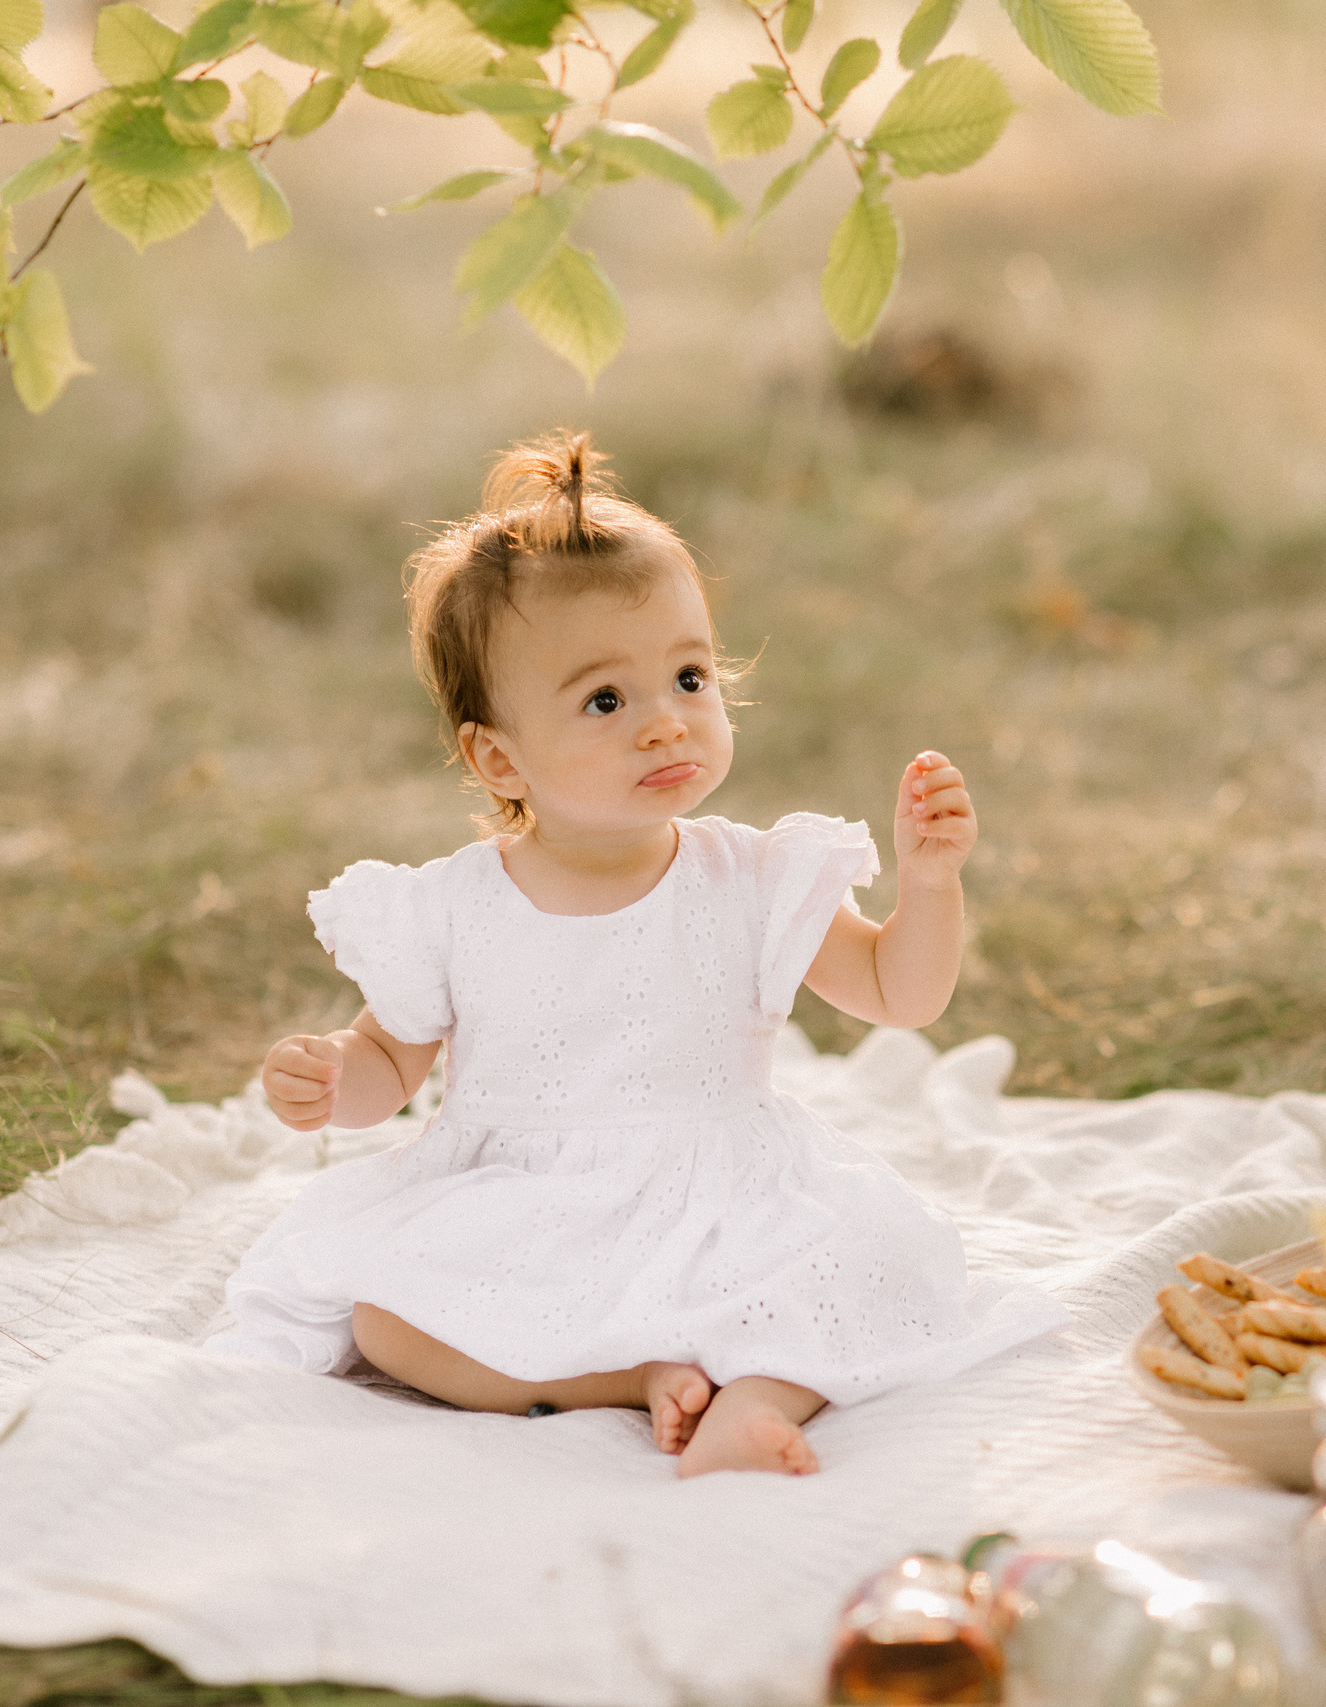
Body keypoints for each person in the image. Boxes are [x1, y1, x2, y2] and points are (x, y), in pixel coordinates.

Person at [204, 432, 1068, 1476]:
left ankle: (753, 1397)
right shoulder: (455, 907)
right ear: (497, 755)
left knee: (857, 1262)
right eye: (607, 702)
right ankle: (633, 1376)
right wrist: (335, 1079)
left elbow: (899, 993)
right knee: (388, 1320)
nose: (666, 725)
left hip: (722, 1188)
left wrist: (931, 884)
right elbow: (391, 1063)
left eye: (690, 677)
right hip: (527, 1195)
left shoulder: (747, 878)